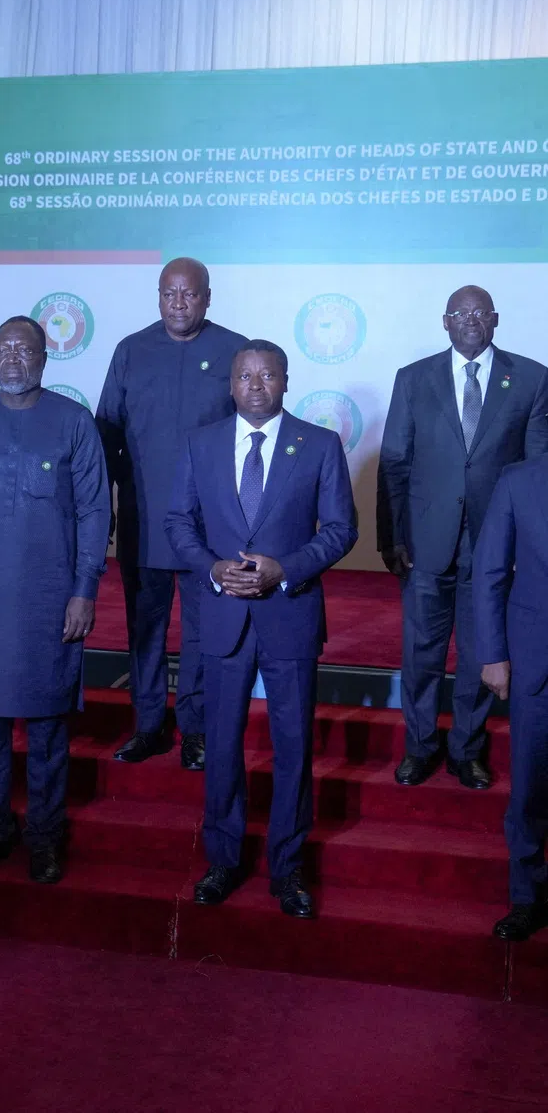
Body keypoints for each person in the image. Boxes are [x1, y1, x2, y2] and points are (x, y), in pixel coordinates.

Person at [166, 341, 357, 918]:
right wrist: (211, 568)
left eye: (267, 374)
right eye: (245, 375)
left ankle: (289, 868)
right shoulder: (201, 444)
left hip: (290, 614)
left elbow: (342, 528)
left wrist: (286, 569)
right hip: (222, 617)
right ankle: (223, 859)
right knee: (221, 743)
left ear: (285, 381)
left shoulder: (319, 445)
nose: (255, 384)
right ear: (230, 384)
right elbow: (178, 521)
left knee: (293, 746)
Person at [0, 316, 110, 884]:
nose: (13, 358)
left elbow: (93, 513)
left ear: (43, 359)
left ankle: (45, 836)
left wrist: (84, 591)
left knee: (48, 727)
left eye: (25, 349)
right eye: (3, 349)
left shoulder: (74, 422)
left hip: (51, 599)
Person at [378, 286, 548, 790]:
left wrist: (528, 549)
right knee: (422, 652)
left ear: (495, 319)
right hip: (426, 540)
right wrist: (392, 538)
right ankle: (420, 746)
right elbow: (394, 462)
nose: (470, 319)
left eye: (479, 312)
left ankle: (467, 752)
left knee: (479, 651)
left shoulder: (532, 379)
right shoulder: (413, 379)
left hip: (496, 546)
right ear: (444, 322)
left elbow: (537, 473)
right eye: (460, 313)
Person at [96, 258, 245, 771]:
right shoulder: (131, 351)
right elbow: (107, 434)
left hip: (211, 530)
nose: (178, 304)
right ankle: (148, 726)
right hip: (144, 520)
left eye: (190, 294)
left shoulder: (234, 352)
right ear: (158, 296)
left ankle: (197, 731)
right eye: (169, 294)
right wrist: (103, 511)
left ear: (208, 297)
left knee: (204, 633)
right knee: (145, 630)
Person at [474, 455, 548, 941]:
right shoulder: (519, 481)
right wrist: (493, 654)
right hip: (534, 660)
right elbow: (489, 571)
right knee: (530, 785)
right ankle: (528, 896)